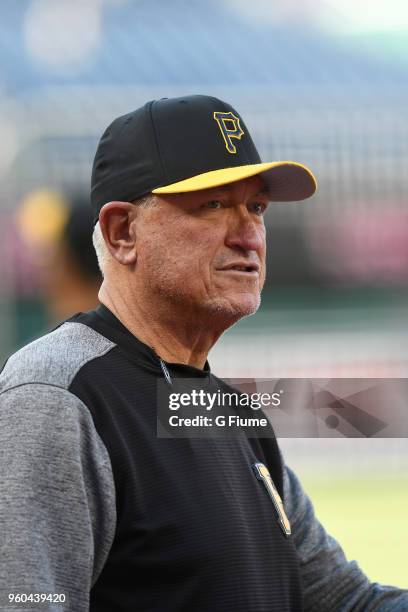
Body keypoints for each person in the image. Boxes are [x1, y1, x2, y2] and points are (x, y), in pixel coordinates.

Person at [0, 95, 406, 611]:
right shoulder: (55, 396)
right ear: (122, 232)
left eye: (256, 207)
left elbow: (342, 601)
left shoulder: (225, 409)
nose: (248, 235)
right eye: (213, 204)